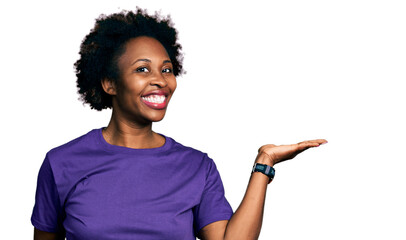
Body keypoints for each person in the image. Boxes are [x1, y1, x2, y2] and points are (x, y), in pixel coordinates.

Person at [31, 8, 327, 240]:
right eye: (142, 69)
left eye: (167, 69)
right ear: (110, 83)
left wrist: (264, 165)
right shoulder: (62, 163)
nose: (160, 80)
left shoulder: (196, 167)